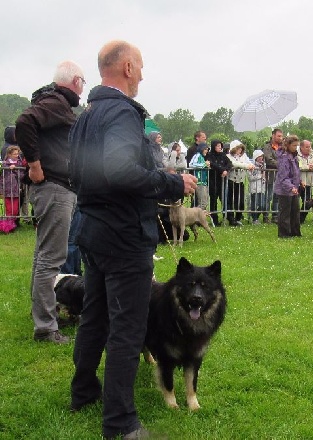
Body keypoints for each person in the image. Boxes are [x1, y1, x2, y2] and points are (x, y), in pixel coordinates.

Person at [69, 40, 197, 439]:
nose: (142, 74)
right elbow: (121, 171)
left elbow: (77, 171)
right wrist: (174, 181)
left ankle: (84, 390)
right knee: (127, 326)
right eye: (140, 67)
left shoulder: (87, 113)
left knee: (95, 314)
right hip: (122, 235)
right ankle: (120, 422)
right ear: (126, 67)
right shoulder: (122, 113)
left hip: (91, 227)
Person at [15, 60, 85, 344]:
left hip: (55, 187)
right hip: (54, 187)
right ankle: (45, 326)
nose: (83, 88)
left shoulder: (56, 103)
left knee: (43, 257)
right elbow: (24, 122)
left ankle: (44, 314)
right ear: (75, 80)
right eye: (83, 81)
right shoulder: (55, 102)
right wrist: (34, 164)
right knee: (50, 259)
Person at [274, 134, 301, 238]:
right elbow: (283, 176)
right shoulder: (284, 158)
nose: (295, 148)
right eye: (294, 145)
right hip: (284, 189)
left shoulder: (294, 157)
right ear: (288, 145)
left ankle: (295, 232)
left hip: (293, 187)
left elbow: (295, 172)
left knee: (295, 210)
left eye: (296, 145)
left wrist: (299, 181)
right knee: (285, 212)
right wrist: (291, 187)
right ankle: (284, 233)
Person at [227, 140, 253, 226]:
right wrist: (246, 165)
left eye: (241, 148)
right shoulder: (228, 156)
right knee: (230, 200)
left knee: (241, 201)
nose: (240, 150)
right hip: (231, 180)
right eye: (238, 148)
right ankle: (231, 218)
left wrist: (251, 165)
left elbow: (248, 162)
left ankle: (238, 217)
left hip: (241, 180)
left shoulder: (244, 156)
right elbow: (234, 164)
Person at [206, 140, 231, 226]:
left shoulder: (223, 155)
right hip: (213, 180)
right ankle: (214, 219)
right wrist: (222, 170)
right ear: (213, 147)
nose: (219, 147)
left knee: (224, 199)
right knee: (213, 200)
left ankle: (229, 217)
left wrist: (226, 170)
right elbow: (212, 164)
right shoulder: (209, 155)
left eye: (220, 146)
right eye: (217, 146)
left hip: (221, 181)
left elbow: (229, 163)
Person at [296, 139, 313, 223]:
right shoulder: (296, 154)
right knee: (295, 201)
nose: (309, 148)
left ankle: (300, 219)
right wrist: (307, 167)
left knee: (308, 202)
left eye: (310, 146)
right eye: (307, 147)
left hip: (309, 182)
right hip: (298, 181)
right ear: (301, 147)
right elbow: (297, 165)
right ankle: (294, 218)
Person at [263, 128, 283, 222]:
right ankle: (266, 216)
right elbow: (268, 159)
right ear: (273, 135)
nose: (280, 138)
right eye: (278, 136)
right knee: (268, 196)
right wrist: (280, 164)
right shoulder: (267, 146)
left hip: (280, 176)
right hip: (270, 175)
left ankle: (275, 216)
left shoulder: (282, 147)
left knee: (277, 197)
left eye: (281, 136)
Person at [2, 146, 25, 226]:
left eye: (17, 154)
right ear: (9, 154)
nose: (17, 155)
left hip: (16, 190)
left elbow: (21, 176)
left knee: (15, 210)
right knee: (9, 209)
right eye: (14, 154)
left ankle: (12, 223)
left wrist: (15, 169)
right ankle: (8, 226)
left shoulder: (19, 163)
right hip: (7, 190)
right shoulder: (4, 164)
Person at [189, 143, 210, 211]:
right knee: (203, 203)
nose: (207, 151)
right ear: (201, 149)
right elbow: (191, 164)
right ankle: (194, 217)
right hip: (199, 182)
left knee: (205, 202)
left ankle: (196, 218)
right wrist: (204, 164)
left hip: (203, 182)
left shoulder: (201, 157)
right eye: (205, 149)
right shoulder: (197, 155)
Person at [248, 150, 266, 224]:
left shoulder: (264, 165)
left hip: (262, 187)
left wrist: (264, 178)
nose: (260, 158)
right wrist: (260, 176)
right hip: (254, 187)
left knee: (262, 205)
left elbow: (264, 175)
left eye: (261, 156)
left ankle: (256, 216)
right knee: (254, 204)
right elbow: (250, 177)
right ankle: (254, 218)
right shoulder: (251, 165)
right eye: (259, 156)